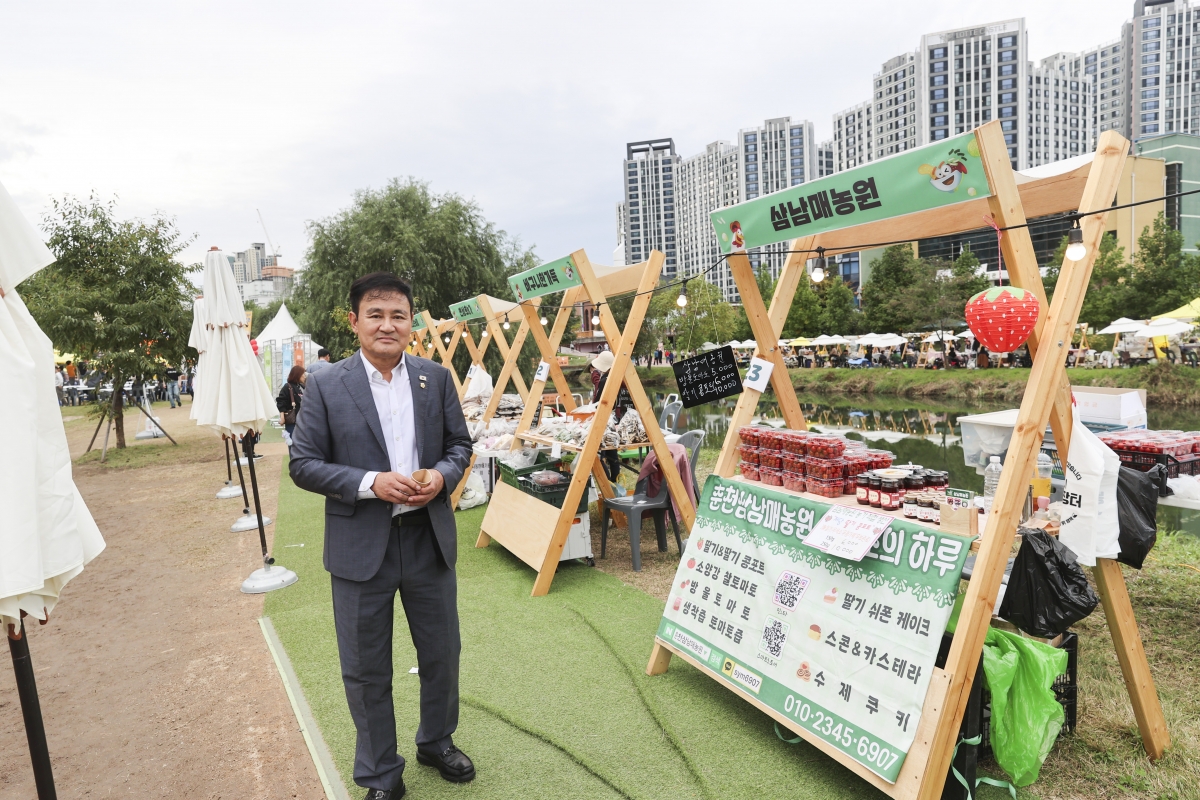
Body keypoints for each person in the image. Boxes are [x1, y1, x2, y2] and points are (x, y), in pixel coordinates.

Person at [289, 272, 474, 799]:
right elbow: (303, 464)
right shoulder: (326, 383)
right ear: (355, 322)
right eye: (376, 314)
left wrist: (440, 475)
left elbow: (459, 447)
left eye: (398, 315)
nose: (387, 325)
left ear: (411, 323)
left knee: (441, 651)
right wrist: (371, 483)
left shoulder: (434, 378)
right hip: (358, 546)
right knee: (366, 666)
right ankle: (379, 773)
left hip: (426, 538)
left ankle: (436, 741)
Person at [591, 350, 625, 482]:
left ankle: (608, 485)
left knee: (600, 455)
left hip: (604, 420)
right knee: (613, 455)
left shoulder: (605, 380)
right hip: (613, 418)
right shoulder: (615, 377)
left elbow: (598, 402)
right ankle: (614, 484)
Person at [277, 365, 305, 441]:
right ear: (297, 374)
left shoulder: (302, 387)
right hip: (293, 421)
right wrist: (282, 417)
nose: (304, 376)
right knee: (293, 443)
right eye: (303, 374)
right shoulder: (287, 387)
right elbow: (281, 402)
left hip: (304, 421)